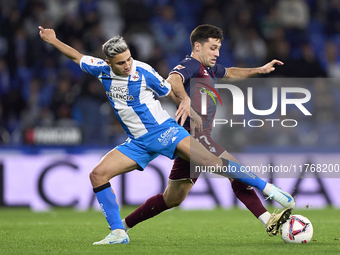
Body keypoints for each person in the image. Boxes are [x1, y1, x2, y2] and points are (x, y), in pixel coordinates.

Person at [38, 25, 295, 245]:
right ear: (108, 63)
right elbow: (77, 56)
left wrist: (185, 100)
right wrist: (52, 40)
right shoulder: (101, 69)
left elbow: (171, 85)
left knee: (214, 164)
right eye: (121, 63)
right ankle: (119, 231)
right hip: (137, 142)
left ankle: (268, 190)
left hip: (163, 131)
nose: (128, 65)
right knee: (100, 176)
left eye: (129, 59)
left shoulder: (144, 70)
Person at [122, 24, 293, 237]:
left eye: (219, 48)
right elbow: (173, 79)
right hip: (193, 136)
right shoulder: (191, 65)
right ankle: (268, 218)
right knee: (235, 170)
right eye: (212, 48)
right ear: (197, 46)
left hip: (196, 139)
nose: (217, 53)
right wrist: (184, 99)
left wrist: (259, 70)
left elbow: (230, 72)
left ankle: (123, 226)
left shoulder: (210, 69)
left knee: (172, 198)